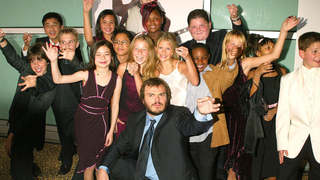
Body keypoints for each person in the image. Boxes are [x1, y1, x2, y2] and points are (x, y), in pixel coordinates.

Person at [221, 16, 299, 180]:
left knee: (240, 163)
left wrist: (284, 30)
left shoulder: (247, 63)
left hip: (246, 117)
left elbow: (275, 55)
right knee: (232, 164)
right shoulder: (217, 66)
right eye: (232, 43)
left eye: (239, 44)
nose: (235, 47)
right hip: (228, 118)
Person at [97, 77, 221, 180]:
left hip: (171, 177)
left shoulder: (177, 114)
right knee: (108, 165)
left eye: (161, 95)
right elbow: (117, 146)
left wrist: (201, 113)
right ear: (143, 100)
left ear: (167, 97)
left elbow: (192, 127)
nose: (157, 100)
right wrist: (103, 169)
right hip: (141, 174)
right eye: (151, 95)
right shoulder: (135, 118)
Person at [44, 40, 122, 180]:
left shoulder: (117, 78)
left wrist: (111, 130)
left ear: (111, 57)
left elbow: (115, 105)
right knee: (88, 162)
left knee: (101, 160)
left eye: (106, 54)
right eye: (98, 54)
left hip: (102, 121)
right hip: (84, 120)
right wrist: (53, 61)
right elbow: (58, 79)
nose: (103, 58)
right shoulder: (85, 74)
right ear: (93, 57)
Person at [0, 30, 56, 179]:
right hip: (16, 121)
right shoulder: (28, 70)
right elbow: (13, 58)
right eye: (32, 60)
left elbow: (33, 114)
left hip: (27, 130)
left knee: (18, 171)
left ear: (48, 61)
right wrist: (1, 40)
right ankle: (31, 169)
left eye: (40, 60)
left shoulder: (51, 84)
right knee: (17, 158)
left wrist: (12, 135)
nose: (36, 65)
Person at [186, 43, 238, 180]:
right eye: (195, 58)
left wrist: (231, 60)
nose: (199, 61)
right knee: (189, 172)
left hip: (208, 133)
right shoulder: (184, 72)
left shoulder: (215, 72)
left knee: (206, 172)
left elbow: (229, 76)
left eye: (203, 57)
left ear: (209, 57)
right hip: (186, 133)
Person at [240, 34, 287, 180]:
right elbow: (250, 99)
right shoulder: (253, 72)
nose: (272, 50)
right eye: (268, 48)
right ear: (258, 54)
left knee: (272, 156)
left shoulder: (282, 71)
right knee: (258, 156)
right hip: (258, 120)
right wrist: (257, 75)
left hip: (276, 118)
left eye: (273, 47)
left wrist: (274, 111)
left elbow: (287, 98)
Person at [276, 31, 320, 180]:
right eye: (314, 51)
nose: (319, 55)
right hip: (294, 139)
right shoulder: (287, 80)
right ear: (302, 53)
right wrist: (281, 144)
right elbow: (282, 114)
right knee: (284, 176)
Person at [115, 34, 157, 138]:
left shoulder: (154, 71)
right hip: (123, 118)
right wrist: (114, 117)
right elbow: (114, 95)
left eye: (144, 49)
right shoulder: (122, 67)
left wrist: (136, 74)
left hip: (143, 120)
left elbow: (144, 97)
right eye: (136, 48)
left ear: (150, 52)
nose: (139, 52)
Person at [180, 4, 247, 66]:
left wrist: (235, 19)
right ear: (189, 29)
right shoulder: (184, 48)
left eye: (202, 25)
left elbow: (241, 39)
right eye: (194, 27)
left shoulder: (220, 37)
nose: (198, 29)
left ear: (209, 25)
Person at [156, 32, 199, 106]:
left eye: (168, 49)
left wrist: (188, 58)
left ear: (173, 51)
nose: (163, 52)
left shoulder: (180, 65)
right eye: (160, 48)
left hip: (182, 112)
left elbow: (195, 82)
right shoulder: (155, 68)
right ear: (156, 49)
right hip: (163, 113)